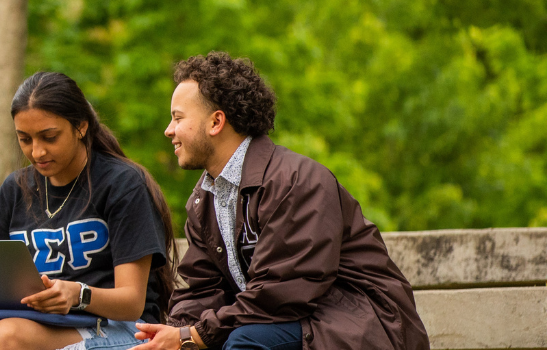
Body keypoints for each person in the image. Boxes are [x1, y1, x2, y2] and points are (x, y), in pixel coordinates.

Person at [131, 52, 428, 350]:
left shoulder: (296, 181)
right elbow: (203, 289)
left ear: (216, 122)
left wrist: (191, 337)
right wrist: (173, 333)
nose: (169, 130)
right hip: (289, 321)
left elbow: (281, 293)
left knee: (245, 342)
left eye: (178, 118)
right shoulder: (204, 199)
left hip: (362, 326)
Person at [0, 72, 178, 350]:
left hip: (119, 327)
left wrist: (78, 295)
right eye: (25, 139)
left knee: (8, 336)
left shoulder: (122, 184)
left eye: (49, 137)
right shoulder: (15, 189)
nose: (37, 152)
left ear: (80, 127)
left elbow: (131, 302)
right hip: (34, 320)